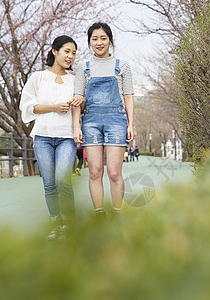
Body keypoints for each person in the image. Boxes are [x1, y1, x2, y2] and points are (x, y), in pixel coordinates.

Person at [72, 22, 134, 219]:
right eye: (94, 39)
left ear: (110, 40)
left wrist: (131, 124)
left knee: (114, 173)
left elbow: (128, 96)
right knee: (94, 172)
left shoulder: (121, 66)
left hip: (117, 120)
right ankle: (99, 214)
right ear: (89, 42)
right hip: (90, 121)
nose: (99, 42)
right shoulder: (83, 67)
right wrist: (77, 126)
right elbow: (77, 98)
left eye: (103, 38)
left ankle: (117, 213)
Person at [20, 35, 79, 240]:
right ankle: (56, 223)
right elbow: (28, 107)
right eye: (66, 51)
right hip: (43, 137)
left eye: (73, 53)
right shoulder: (38, 77)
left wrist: (81, 100)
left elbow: (82, 106)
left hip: (66, 137)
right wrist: (54, 107)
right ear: (54, 51)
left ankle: (69, 225)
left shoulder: (75, 80)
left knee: (63, 180)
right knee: (49, 183)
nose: (70, 56)